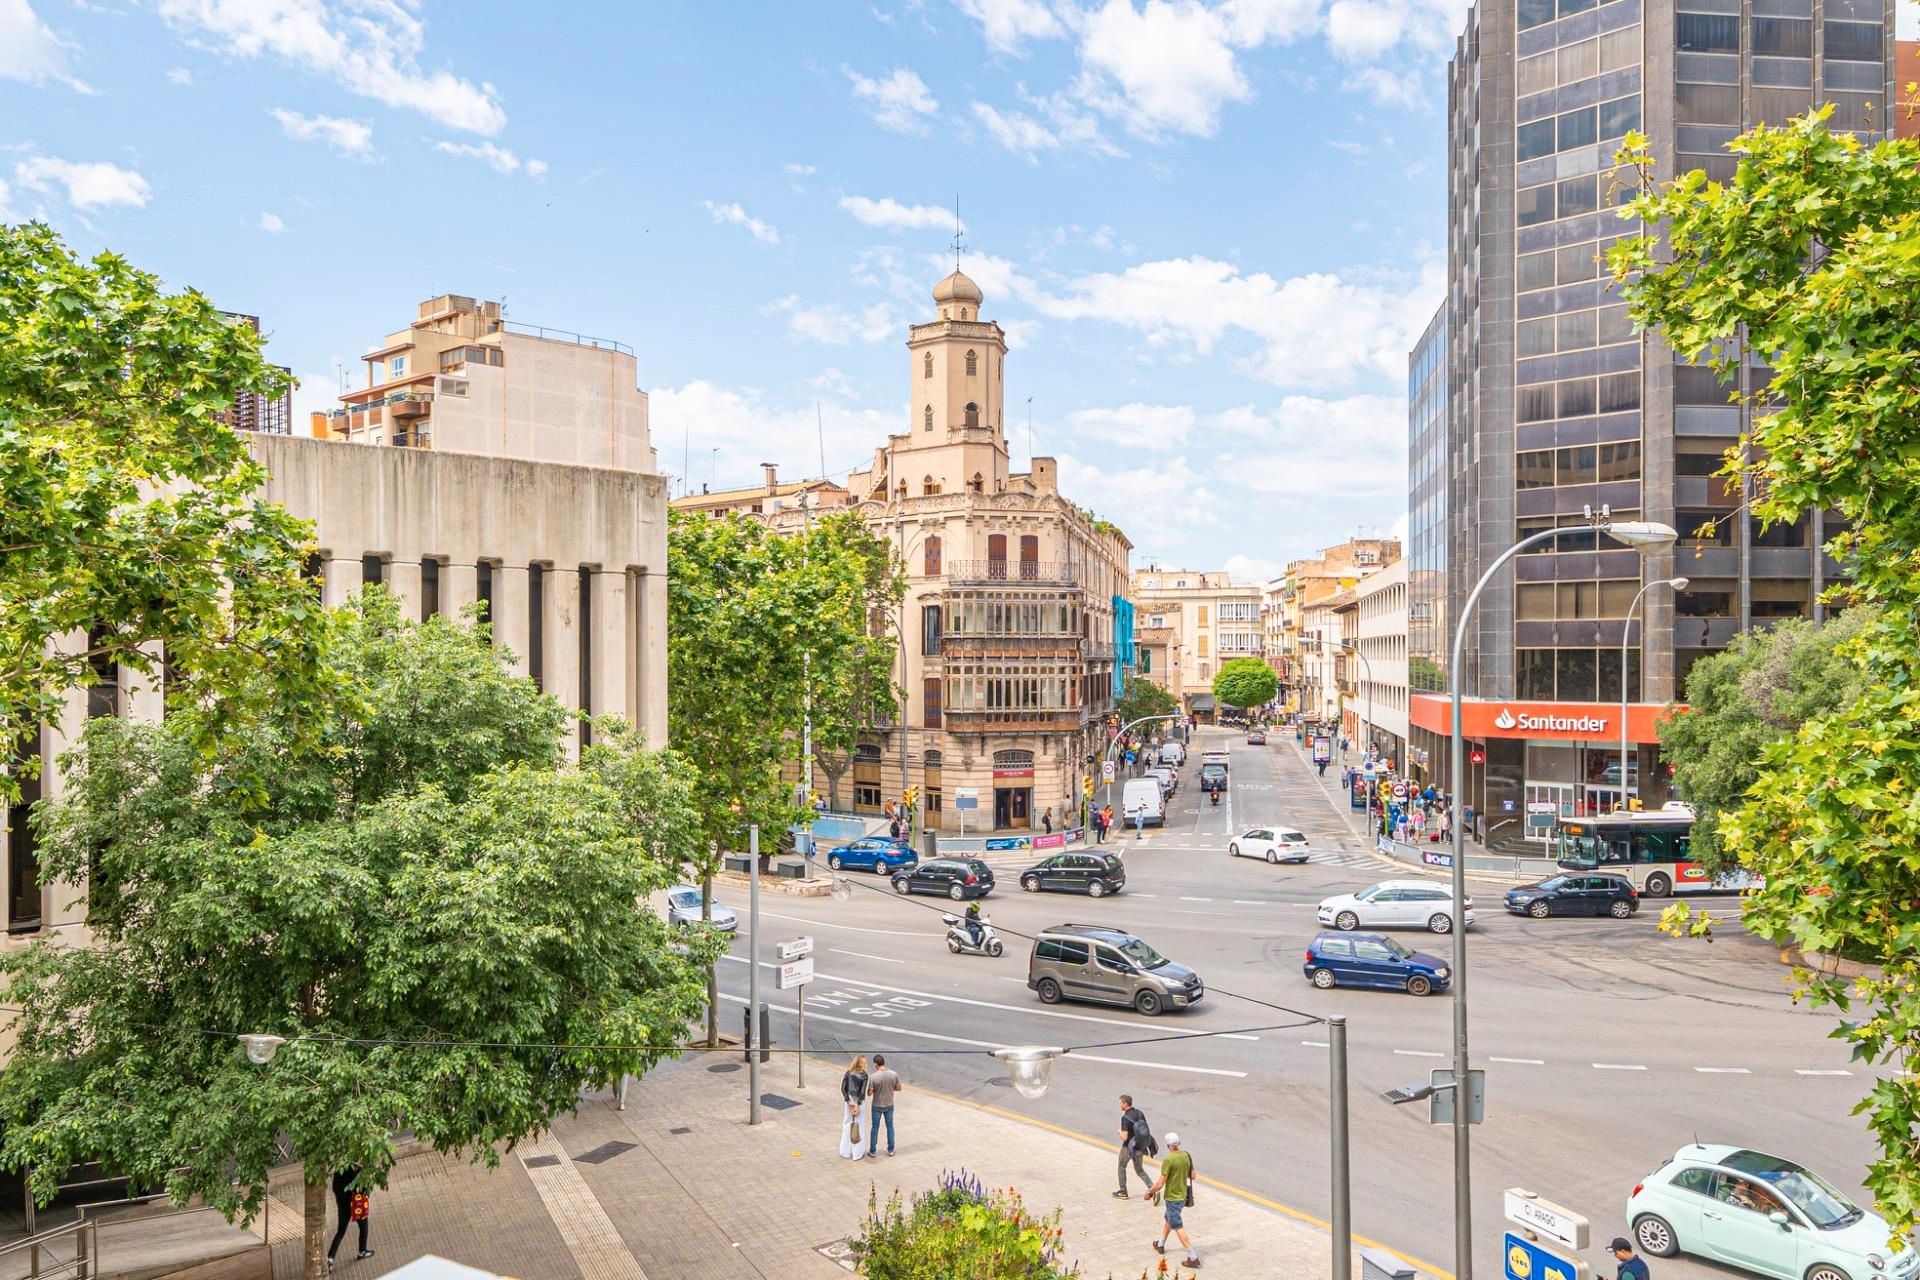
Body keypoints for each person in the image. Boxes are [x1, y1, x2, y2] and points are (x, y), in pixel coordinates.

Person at [1147, 1132, 1200, 1268]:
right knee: (1168, 1219)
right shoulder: (1186, 1156)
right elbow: (1192, 1176)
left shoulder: (1169, 1160)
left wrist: (1149, 1192)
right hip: (1182, 1196)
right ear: (1179, 1144)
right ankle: (1161, 1244)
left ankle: (1193, 1256)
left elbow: (1160, 1183)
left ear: (1168, 1146)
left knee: (1177, 1225)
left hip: (1172, 1197)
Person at [327, 1165, 373, 1267]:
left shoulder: (340, 1170)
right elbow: (364, 1191)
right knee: (363, 1226)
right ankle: (362, 1251)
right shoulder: (359, 1172)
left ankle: (330, 1258)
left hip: (343, 1205)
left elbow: (335, 1188)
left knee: (341, 1231)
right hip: (356, 1204)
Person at [1114, 1094, 1153, 1198]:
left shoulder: (1125, 1118)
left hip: (1128, 1148)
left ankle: (1123, 1191)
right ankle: (1152, 1188)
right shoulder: (1140, 1113)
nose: (1120, 1105)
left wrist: (1119, 1132)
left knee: (1121, 1167)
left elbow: (1125, 1137)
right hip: (1140, 1146)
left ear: (1125, 1103)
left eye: (1121, 1103)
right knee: (1140, 1170)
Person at [866, 1055, 902, 1157]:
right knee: (890, 1126)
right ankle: (891, 1150)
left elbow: (869, 1093)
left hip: (877, 1105)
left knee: (875, 1127)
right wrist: (890, 1089)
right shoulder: (893, 1074)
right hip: (889, 1104)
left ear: (876, 1065)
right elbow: (899, 1088)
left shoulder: (873, 1077)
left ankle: (872, 1151)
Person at [838, 1056, 870, 1161]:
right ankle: (857, 1154)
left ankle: (845, 1152)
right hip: (859, 1103)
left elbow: (843, 1088)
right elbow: (862, 1092)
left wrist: (849, 1102)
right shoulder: (864, 1075)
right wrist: (857, 1105)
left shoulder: (848, 1073)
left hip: (848, 1102)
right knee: (859, 1126)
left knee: (847, 1124)